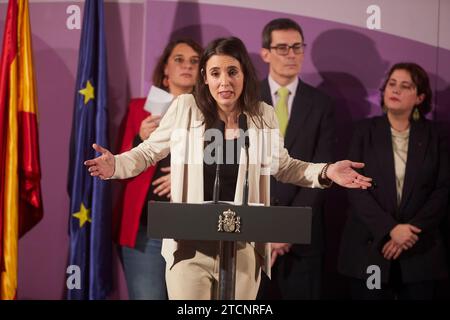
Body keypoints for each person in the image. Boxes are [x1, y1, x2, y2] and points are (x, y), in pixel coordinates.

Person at [85, 36, 371, 300]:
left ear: (244, 74)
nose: (225, 81)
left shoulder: (262, 114)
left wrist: (326, 171)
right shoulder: (186, 107)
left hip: (243, 247)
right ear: (205, 79)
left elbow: (283, 166)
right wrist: (116, 165)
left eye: (232, 72)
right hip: (189, 247)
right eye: (215, 73)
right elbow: (148, 152)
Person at [338, 62, 449, 299]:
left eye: (405, 86)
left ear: (419, 97)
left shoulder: (437, 136)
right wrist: (390, 229)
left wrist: (407, 233)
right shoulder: (363, 131)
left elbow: (442, 190)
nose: (395, 90)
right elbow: (355, 187)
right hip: (370, 248)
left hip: (419, 250)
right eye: (392, 84)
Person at [115, 38, 202, 299]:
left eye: (194, 61)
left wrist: (188, 176)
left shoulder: (214, 113)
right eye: (179, 59)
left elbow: (226, 167)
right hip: (146, 231)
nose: (186, 66)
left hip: (194, 231)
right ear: (165, 69)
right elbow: (119, 171)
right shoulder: (139, 109)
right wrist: (140, 139)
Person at [258, 18, 335, 300]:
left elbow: (323, 170)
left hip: (303, 241)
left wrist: (287, 229)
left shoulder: (322, 104)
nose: (291, 54)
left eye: (297, 47)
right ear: (265, 53)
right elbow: (235, 168)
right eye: (282, 48)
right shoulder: (244, 99)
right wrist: (265, 228)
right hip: (252, 235)